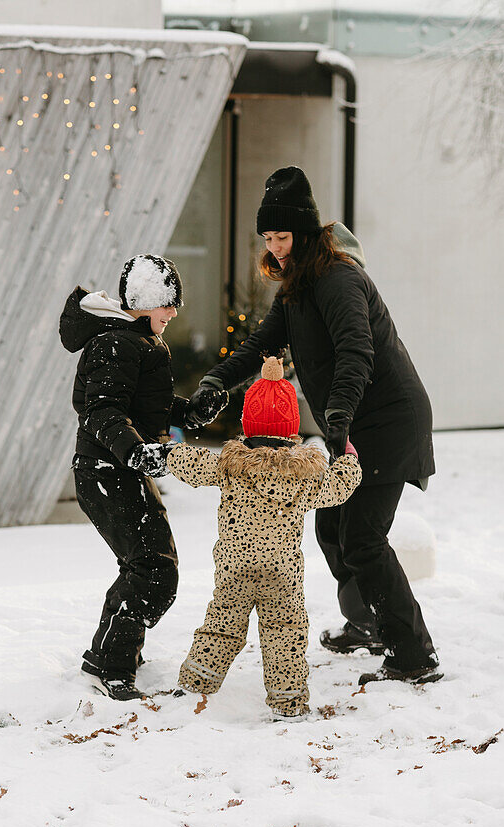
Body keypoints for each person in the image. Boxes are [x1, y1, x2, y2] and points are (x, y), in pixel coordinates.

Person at [186, 166, 441, 686]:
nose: (275, 247)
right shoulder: (297, 288)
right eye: (268, 238)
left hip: (388, 421)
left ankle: (414, 655)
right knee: (331, 526)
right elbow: (261, 345)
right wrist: (216, 382)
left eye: (281, 236)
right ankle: (368, 622)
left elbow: (356, 349)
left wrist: (339, 414)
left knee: (363, 538)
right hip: (354, 422)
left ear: (303, 233)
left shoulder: (339, 278)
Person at [168, 356, 361, 719]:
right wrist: (348, 456)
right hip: (282, 575)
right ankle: (288, 702)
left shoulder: (230, 464)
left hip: (234, 570)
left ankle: (194, 685)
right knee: (285, 634)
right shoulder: (305, 476)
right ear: (292, 430)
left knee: (221, 627)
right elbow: (339, 487)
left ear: (247, 424)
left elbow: (192, 465)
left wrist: (167, 450)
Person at [59, 254, 188, 701]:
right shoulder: (115, 344)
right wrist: (135, 451)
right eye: (168, 303)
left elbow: (147, 407)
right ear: (146, 301)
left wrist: (192, 411)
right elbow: (101, 410)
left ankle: (115, 653)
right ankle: (108, 663)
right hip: (105, 472)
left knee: (151, 566)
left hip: (121, 471)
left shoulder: (138, 342)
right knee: (153, 570)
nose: (174, 312)